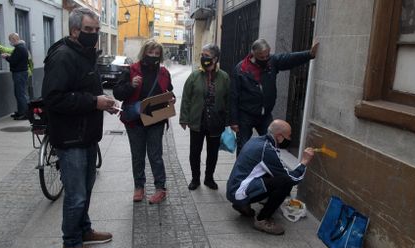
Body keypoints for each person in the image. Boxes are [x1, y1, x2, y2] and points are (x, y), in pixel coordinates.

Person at [42, 8, 117, 248]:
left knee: (85, 188)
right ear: (74, 31)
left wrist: (103, 101)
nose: (94, 34)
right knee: (75, 194)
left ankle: (83, 230)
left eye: (97, 30)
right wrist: (93, 102)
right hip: (70, 138)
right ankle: (71, 243)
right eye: (89, 30)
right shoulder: (63, 57)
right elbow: (53, 99)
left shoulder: (84, 54)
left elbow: (86, 90)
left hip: (86, 135)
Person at [230, 39, 319, 155]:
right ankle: (243, 172)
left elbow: (289, 59)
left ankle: (267, 169)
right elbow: (234, 95)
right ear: (253, 54)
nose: (265, 59)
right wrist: (234, 121)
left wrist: (309, 54)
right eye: (261, 57)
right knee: (244, 147)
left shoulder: (272, 62)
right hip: (246, 114)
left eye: (267, 55)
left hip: (265, 114)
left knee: (271, 144)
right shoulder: (241, 69)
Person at [226, 119, 315, 235]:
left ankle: (243, 205)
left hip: (233, 189)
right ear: (279, 137)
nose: (290, 139)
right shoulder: (266, 149)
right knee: (285, 182)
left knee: (275, 175)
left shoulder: (257, 140)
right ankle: (262, 219)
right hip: (239, 192)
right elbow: (292, 179)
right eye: (289, 136)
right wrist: (304, 162)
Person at [113, 39, 174, 204]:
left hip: (156, 120)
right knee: (137, 155)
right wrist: (131, 86)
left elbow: (170, 92)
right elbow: (118, 93)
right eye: (150, 52)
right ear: (144, 53)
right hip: (135, 121)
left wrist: (171, 100)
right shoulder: (132, 70)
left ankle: (160, 188)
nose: (153, 56)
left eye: (156, 53)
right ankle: (139, 187)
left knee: (155, 155)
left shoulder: (164, 73)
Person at [180, 44, 230, 190]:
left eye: (206, 55)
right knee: (195, 152)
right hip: (197, 121)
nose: (203, 58)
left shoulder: (224, 77)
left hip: (215, 122)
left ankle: (209, 178)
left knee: (213, 153)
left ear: (215, 59)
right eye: (202, 55)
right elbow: (186, 98)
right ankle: (195, 179)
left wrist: (228, 121)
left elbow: (228, 100)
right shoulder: (194, 76)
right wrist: (184, 118)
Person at [0, 39, 35, 118]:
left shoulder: (19, 49)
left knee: (20, 94)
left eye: (10, 40)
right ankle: (22, 111)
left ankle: (24, 113)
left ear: (14, 41)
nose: (10, 43)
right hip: (24, 72)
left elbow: (13, 60)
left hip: (20, 73)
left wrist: (6, 57)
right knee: (20, 93)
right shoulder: (23, 48)